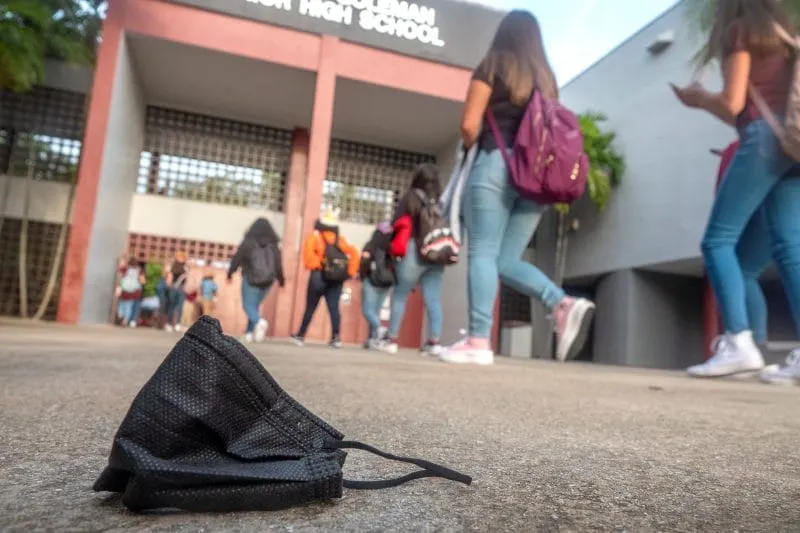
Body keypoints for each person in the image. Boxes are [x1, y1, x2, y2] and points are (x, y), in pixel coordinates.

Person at [439, 10, 596, 366]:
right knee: (504, 259)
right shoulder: (547, 78)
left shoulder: (493, 64)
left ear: (504, 33)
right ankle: (561, 301)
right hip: (535, 179)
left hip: (496, 166)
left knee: (481, 251)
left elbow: (468, 125)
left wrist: (472, 145)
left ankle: (478, 340)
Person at [671, 0, 800, 380]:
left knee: (717, 241)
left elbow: (733, 104)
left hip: (763, 139)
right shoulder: (785, 39)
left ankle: (738, 342)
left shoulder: (740, 31)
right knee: (790, 249)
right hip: (794, 145)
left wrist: (698, 99)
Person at [377, 164, 448, 356]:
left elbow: (396, 224)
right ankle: (434, 341)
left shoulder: (410, 197)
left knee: (400, 295)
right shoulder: (442, 201)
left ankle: (391, 339)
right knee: (433, 298)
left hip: (413, 251)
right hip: (436, 254)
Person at [711, 141, 772, 354]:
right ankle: (757, 342)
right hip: (779, 213)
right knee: (748, 272)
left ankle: (742, 341)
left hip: (757, 214)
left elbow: (725, 196)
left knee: (737, 266)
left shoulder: (747, 144)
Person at [292, 209, 360, 349]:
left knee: (310, 307)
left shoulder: (315, 236)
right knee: (334, 308)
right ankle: (336, 338)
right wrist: (350, 272)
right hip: (336, 280)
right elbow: (354, 253)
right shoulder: (339, 239)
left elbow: (308, 255)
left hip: (318, 277)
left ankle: (300, 335)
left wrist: (319, 264)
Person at [228, 218, 285, 343]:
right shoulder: (274, 245)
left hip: (251, 278)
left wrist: (230, 273)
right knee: (254, 306)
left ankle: (259, 322)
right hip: (268, 281)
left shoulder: (248, 242)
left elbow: (237, 258)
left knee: (248, 305)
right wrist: (281, 280)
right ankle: (249, 333)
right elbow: (278, 264)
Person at [359, 221, 395, 349]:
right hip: (386, 283)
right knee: (376, 312)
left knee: (367, 310)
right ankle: (372, 339)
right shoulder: (391, 247)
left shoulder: (371, 245)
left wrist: (363, 276)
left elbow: (364, 261)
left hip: (372, 281)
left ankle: (380, 330)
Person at [163, 251, 189, 333]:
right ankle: (169, 323)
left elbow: (187, 278)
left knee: (180, 307)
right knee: (172, 306)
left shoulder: (185, 267)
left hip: (181, 289)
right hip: (173, 288)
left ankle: (177, 324)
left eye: (183, 257)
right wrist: (169, 285)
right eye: (180, 257)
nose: (181, 259)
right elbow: (168, 277)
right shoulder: (172, 266)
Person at [117, 256, 145, 328]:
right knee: (129, 306)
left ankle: (121, 316)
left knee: (122, 305)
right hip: (134, 291)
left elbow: (119, 274)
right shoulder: (139, 270)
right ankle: (125, 321)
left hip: (124, 290)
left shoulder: (125, 269)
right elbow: (142, 281)